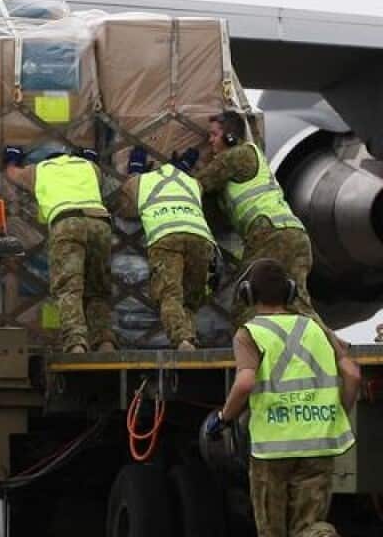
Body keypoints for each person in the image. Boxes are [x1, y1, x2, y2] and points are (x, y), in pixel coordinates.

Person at [207, 259, 358, 537]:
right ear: (290, 292)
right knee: (309, 528)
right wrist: (338, 412)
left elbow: (245, 383)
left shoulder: (249, 333)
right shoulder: (315, 328)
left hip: (273, 449)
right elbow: (352, 373)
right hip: (318, 443)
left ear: (247, 294)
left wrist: (222, 419)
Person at [193, 111, 318, 324]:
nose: (210, 141)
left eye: (214, 135)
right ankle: (337, 352)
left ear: (230, 137)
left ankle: (251, 354)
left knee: (247, 301)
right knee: (299, 305)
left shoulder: (236, 155)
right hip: (295, 234)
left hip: (269, 234)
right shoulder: (253, 156)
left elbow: (198, 184)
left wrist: (174, 174)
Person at [4, 147, 116, 354]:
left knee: (68, 287)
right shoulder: (88, 167)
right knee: (98, 289)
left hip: (67, 223)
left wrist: (12, 157)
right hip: (99, 223)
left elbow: (11, 174)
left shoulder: (40, 169)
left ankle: (76, 343)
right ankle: (105, 342)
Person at [111, 147, 215, 350]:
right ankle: (191, 335)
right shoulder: (192, 182)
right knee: (193, 296)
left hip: (165, 237)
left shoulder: (140, 182)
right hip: (200, 238)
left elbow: (126, 210)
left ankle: (182, 340)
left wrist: (135, 172)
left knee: (169, 294)